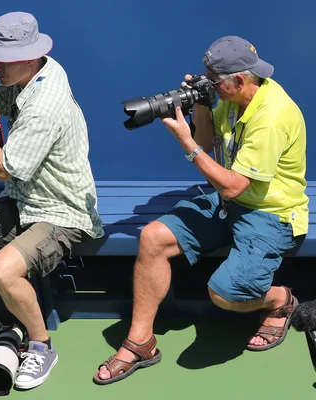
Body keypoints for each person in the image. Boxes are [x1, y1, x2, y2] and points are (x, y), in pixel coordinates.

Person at [94, 35, 308, 384]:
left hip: (270, 212)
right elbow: (210, 141)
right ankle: (140, 342)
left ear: (240, 80)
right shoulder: (231, 96)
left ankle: (281, 300)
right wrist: (204, 105)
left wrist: (186, 143)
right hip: (230, 203)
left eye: (215, 83)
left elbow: (232, 183)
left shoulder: (272, 115)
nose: (211, 85)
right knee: (152, 237)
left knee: (225, 293)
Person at [0, 11, 103, 390]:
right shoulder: (30, 70)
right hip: (23, 198)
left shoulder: (46, 103)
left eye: (2, 60)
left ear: (30, 57)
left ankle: (41, 345)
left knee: (2, 269)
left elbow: (4, 169)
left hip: (62, 209)